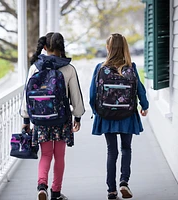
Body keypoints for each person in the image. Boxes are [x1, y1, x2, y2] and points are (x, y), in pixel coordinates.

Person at [20, 32, 85, 200]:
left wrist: (26, 119)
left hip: (41, 120)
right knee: (59, 156)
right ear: (62, 46)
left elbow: (27, 94)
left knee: (46, 155)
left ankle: (42, 186)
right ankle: (56, 192)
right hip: (62, 119)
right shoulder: (68, 68)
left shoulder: (35, 67)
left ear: (45, 47)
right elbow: (76, 96)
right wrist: (77, 117)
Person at [89, 33, 149, 200]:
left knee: (111, 151)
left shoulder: (100, 68)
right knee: (126, 148)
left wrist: (97, 112)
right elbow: (140, 90)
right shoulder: (131, 67)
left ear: (108, 48)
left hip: (106, 115)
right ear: (125, 48)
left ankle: (111, 190)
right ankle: (124, 182)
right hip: (127, 115)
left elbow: (92, 95)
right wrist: (145, 106)